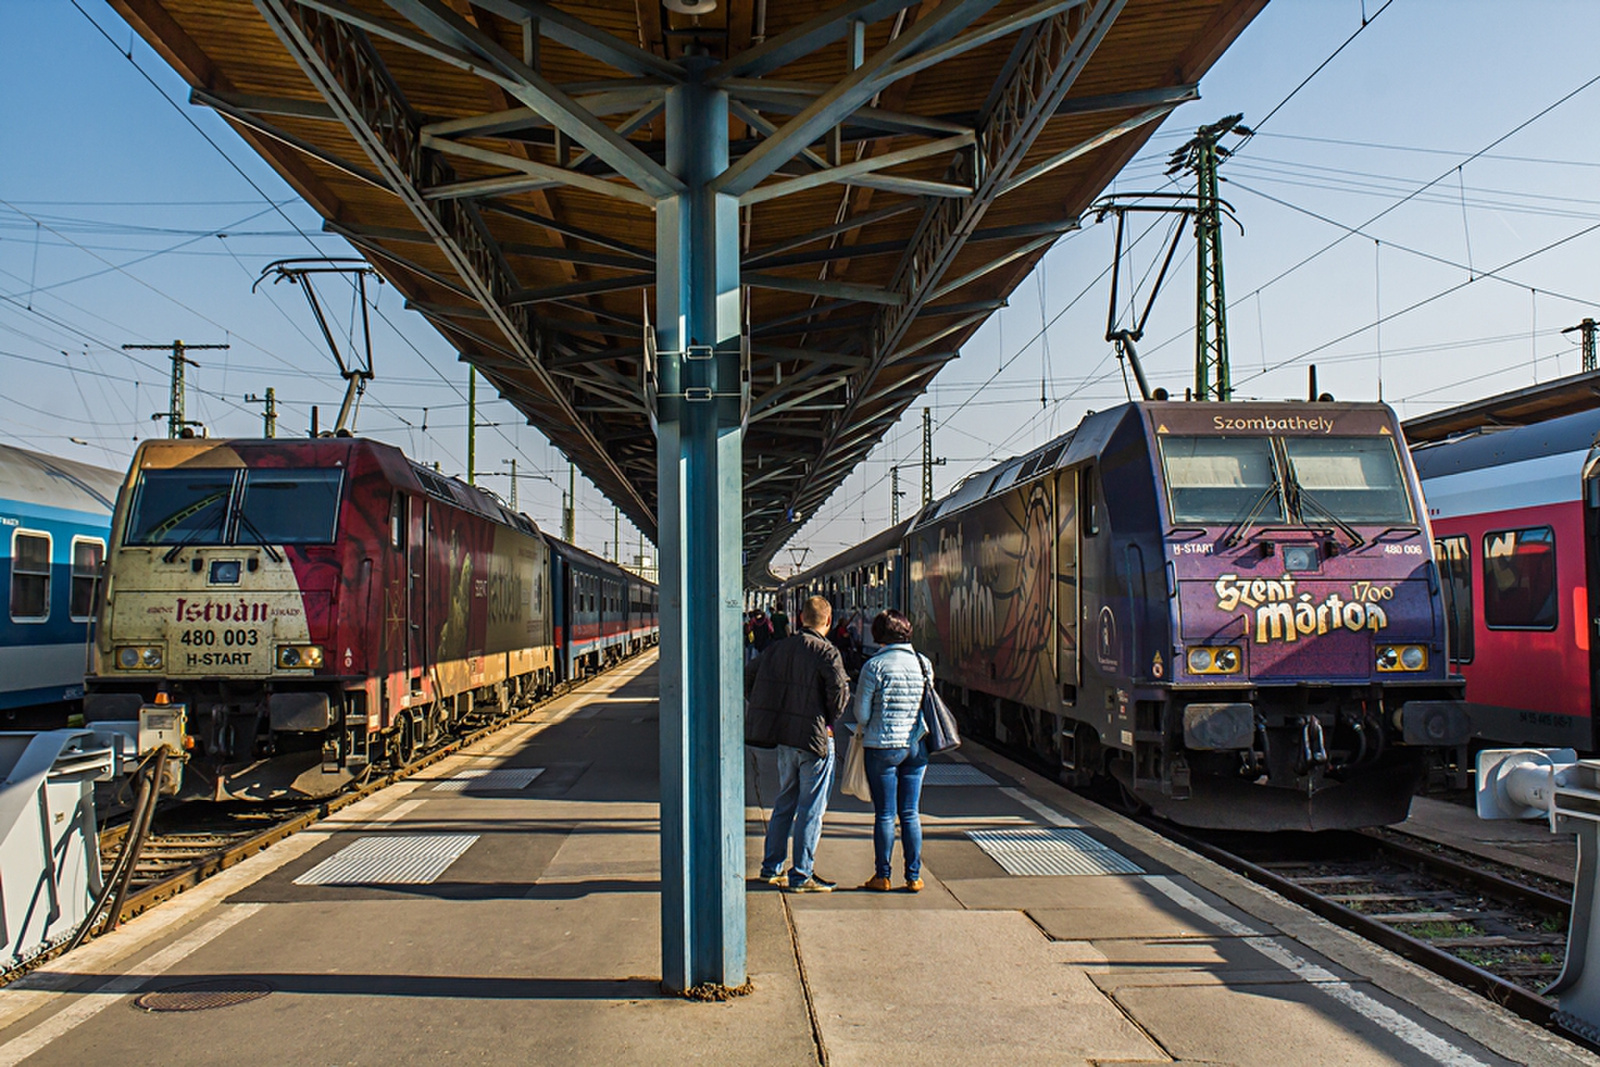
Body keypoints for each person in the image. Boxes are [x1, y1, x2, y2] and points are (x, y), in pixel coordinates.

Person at [745, 595, 851, 893]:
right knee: (811, 808)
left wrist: (767, 707)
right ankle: (802, 874)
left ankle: (771, 867)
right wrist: (827, 720)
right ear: (828, 621)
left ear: (798, 619)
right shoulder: (827, 652)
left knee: (784, 801)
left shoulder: (778, 648)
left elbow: (748, 676)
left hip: (785, 740)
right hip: (815, 739)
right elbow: (839, 696)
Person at [852, 609, 931, 892]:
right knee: (910, 813)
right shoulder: (923, 664)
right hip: (915, 746)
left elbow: (861, 715)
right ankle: (914, 877)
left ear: (879, 634)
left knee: (885, 814)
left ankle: (882, 876)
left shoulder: (873, 666)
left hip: (883, 747)